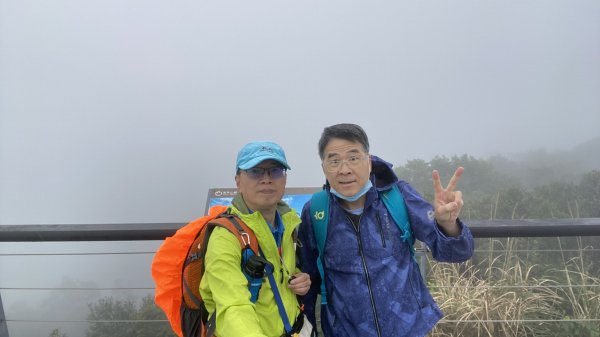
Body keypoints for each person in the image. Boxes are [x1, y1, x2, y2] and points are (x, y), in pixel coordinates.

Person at [298, 123, 475, 337]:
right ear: (324, 167)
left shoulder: (398, 196)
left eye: (353, 158)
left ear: (369, 161)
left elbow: (457, 253)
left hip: (409, 329)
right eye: (334, 161)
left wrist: (448, 224)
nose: (344, 170)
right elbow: (308, 281)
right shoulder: (316, 211)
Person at [199, 141, 312, 337]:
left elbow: (279, 272)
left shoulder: (288, 224)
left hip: (296, 328)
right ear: (238, 181)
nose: (266, 179)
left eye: (275, 171)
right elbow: (233, 308)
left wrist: (299, 277)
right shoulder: (225, 237)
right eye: (255, 171)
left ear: (284, 179)